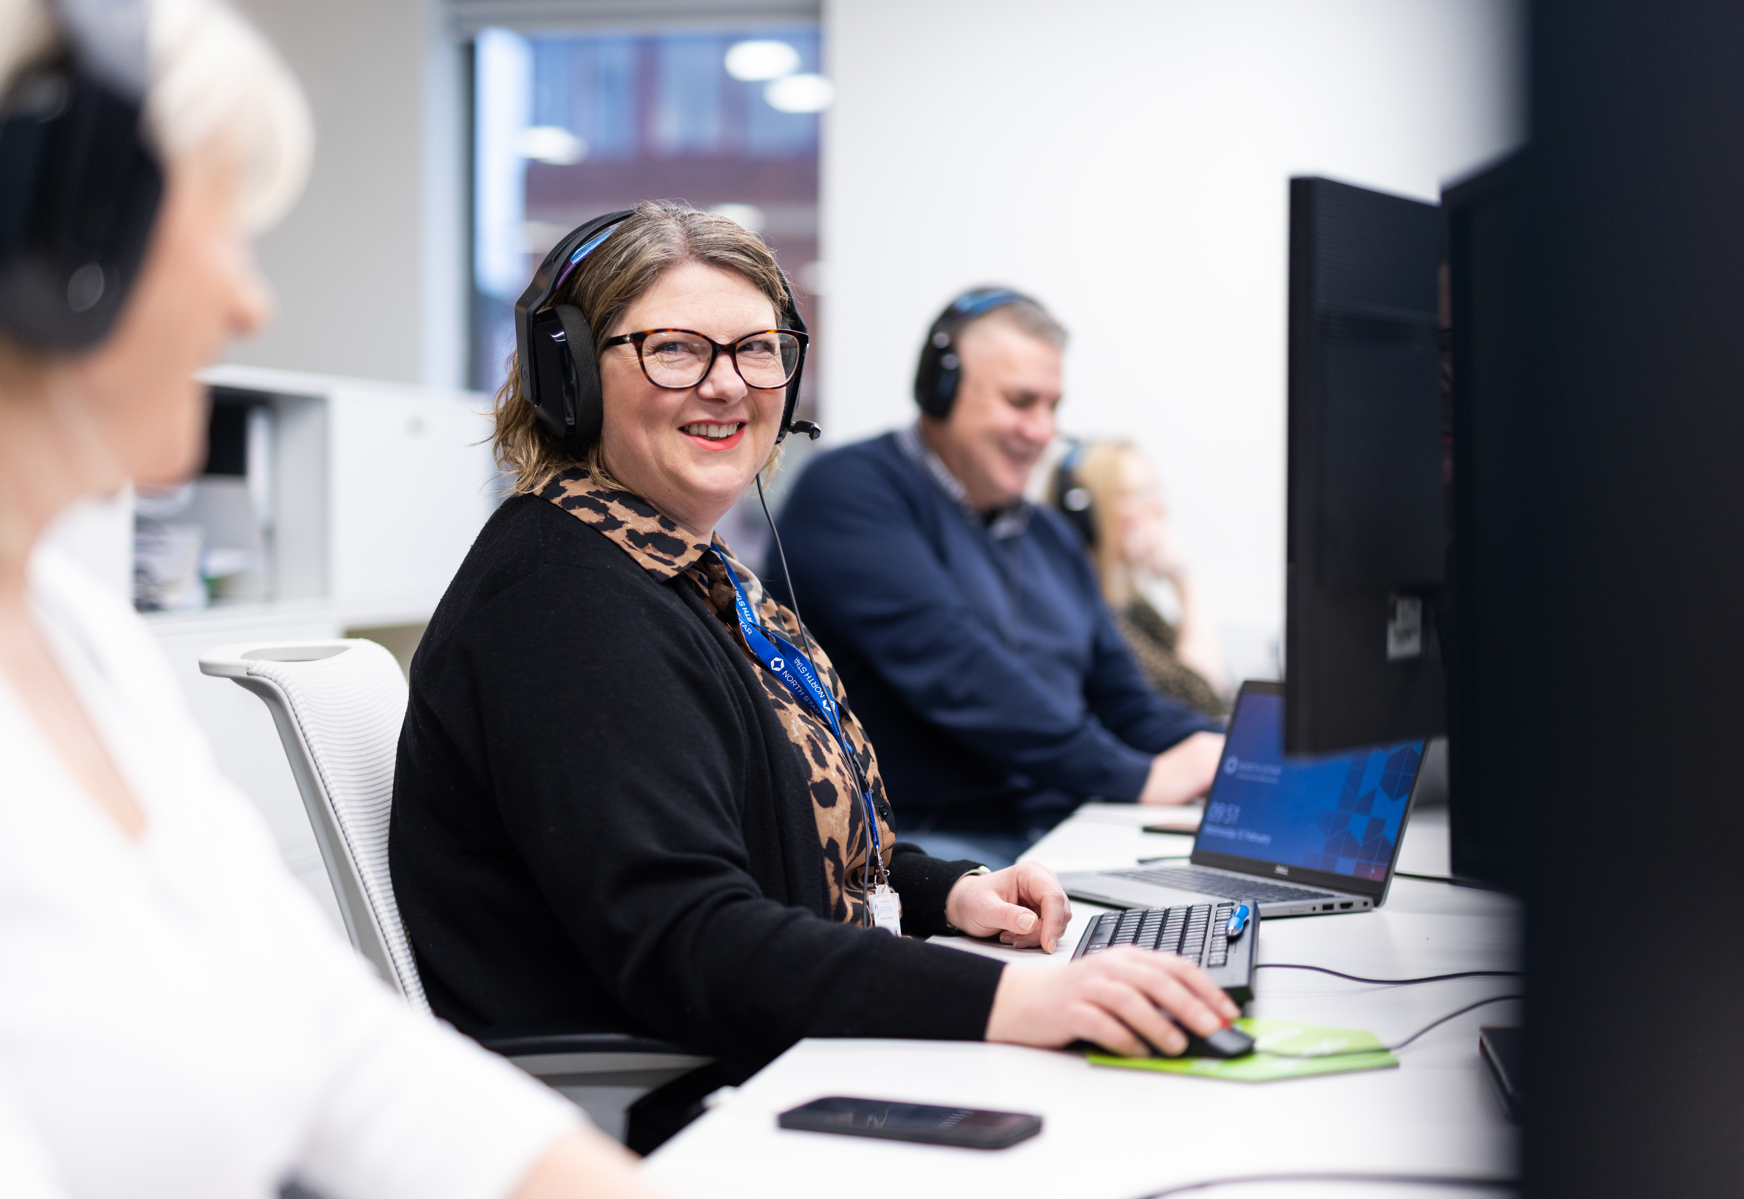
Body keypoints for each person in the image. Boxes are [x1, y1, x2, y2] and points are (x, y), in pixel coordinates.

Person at [0, 0, 1089, 1199]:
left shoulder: (68, 628)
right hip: (698, 1073)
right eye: (210, 229)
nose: (249, 303)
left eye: (757, 349)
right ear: (22, 246)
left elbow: (347, 1059)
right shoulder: (564, 595)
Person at [388, 205, 1242, 1138]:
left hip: (761, 1047)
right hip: (676, 1104)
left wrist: (942, 891)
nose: (728, 386)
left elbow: (765, 842)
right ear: (571, 373)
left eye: (759, 350)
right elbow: (691, 938)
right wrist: (1016, 1000)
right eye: (675, 350)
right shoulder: (563, 603)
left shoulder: (668, 571)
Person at [766, 290, 1225, 869]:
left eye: (1052, 407)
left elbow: (1126, 701)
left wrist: (1238, 753)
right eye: (1020, 401)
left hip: (1063, 828)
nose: (1042, 430)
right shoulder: (851, 492)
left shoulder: (1050, 537)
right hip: (930, 845)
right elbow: (956, 668)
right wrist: (1138, 776)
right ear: (941, 387)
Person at [1049, 440, 1231, 719]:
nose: (1157, 507)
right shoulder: (1089, 616)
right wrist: (1185, 584)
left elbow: (1214, 689)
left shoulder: (1131, 605)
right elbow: (1200, 702)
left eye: (1155, 490)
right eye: (1138, 494)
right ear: (1087, 517)